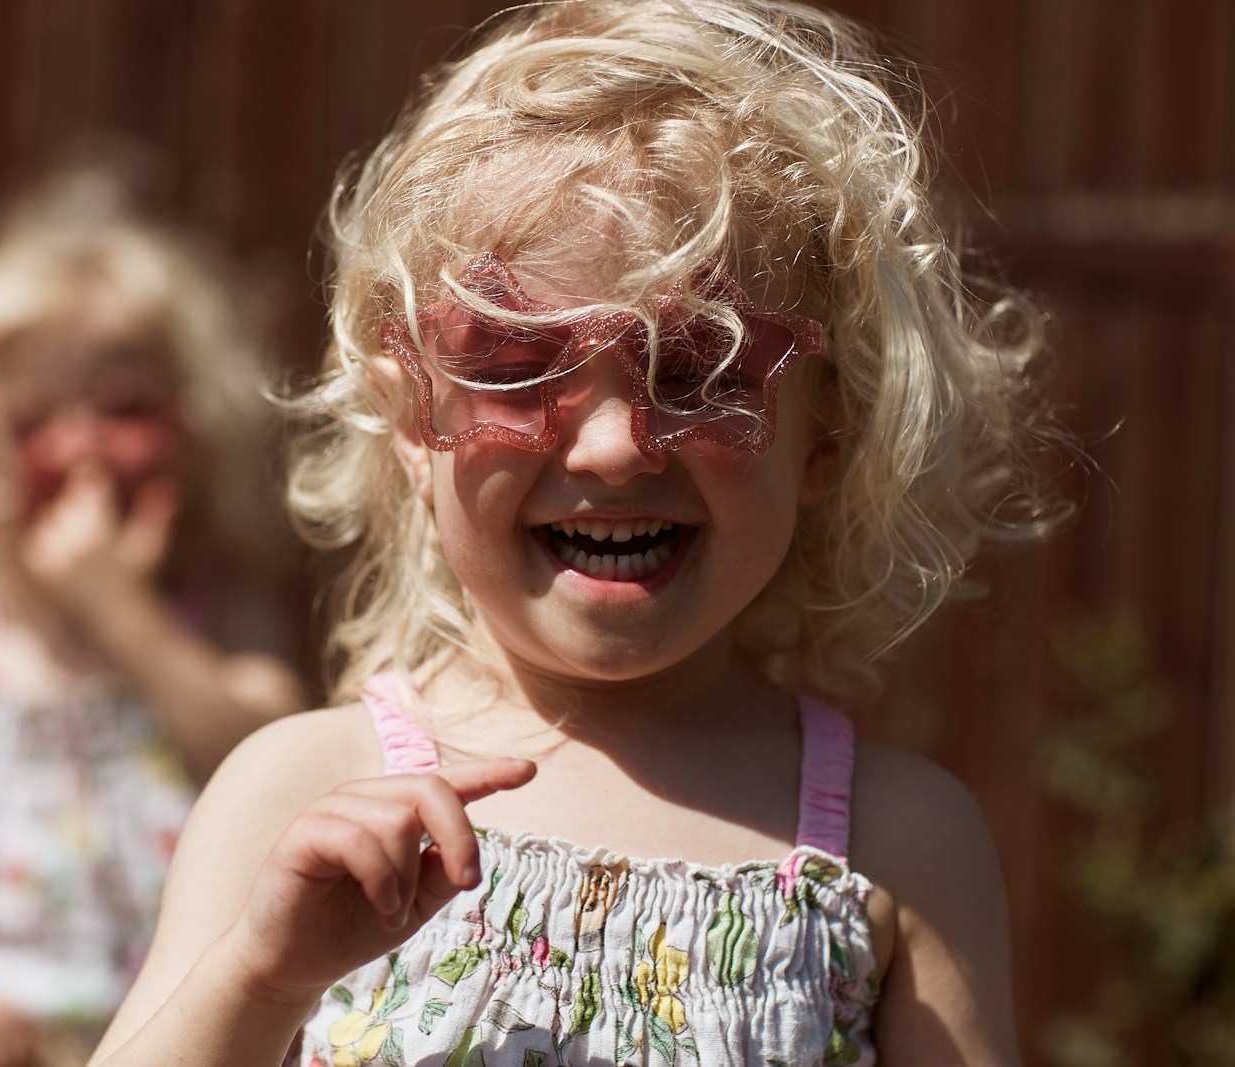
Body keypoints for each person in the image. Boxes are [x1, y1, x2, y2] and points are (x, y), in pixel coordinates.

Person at [90, 2, 1069, 1065]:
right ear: (414, 422)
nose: (612, 447)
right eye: (516, 367)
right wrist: (258, 979)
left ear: (825, 434)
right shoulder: (305, 792)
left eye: (697, 369)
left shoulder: (894, 844)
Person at [0, 162, 304, 1067]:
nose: (80, 446)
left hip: (155, 1037)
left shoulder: (218, 626)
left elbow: (274, 756)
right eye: (35, 418)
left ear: (195, 430)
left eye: (124, 408)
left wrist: (120, 612)